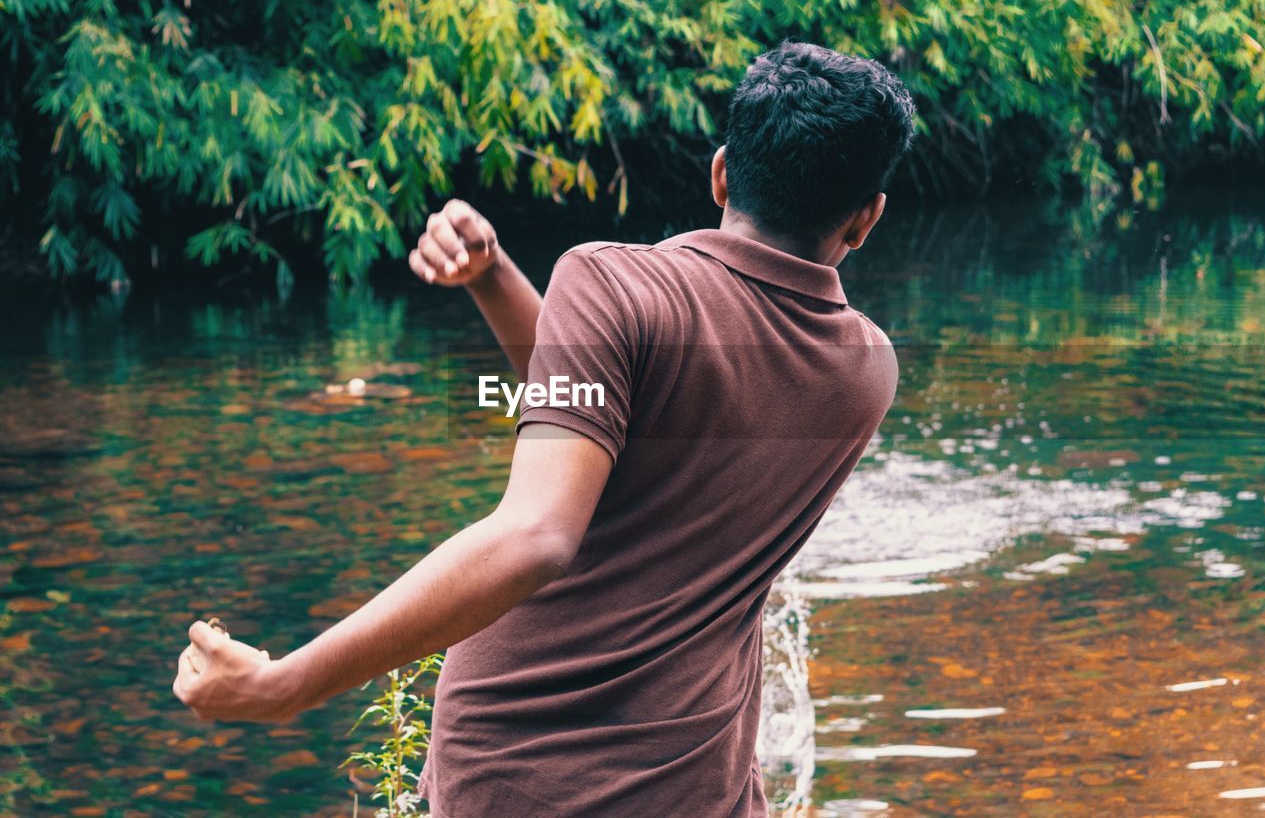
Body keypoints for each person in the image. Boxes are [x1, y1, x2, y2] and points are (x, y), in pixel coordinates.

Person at [173, 41, 915, 817]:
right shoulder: (867, 369)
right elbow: (613, 402)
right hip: (698, 785)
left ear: (722, 171)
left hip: (525, 774)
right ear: (867, 218)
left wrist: (284, 683)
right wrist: (494, 276)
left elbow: (538, 533)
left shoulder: (615, 280)